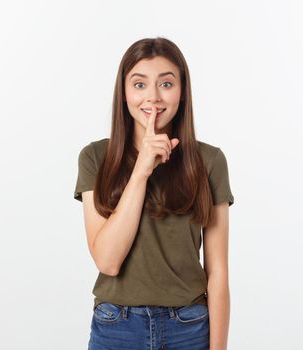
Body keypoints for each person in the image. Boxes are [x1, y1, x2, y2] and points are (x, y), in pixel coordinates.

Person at [73, 37, 235, 350]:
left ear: (182, 91)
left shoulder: (210, 161)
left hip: (189, 327)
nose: (153, 97)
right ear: (124, 93)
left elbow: (218, 272)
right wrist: (142, 170)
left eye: (166, 83)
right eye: (139, 84)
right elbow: (108, 261)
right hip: (116, 327)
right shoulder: (95, 158)